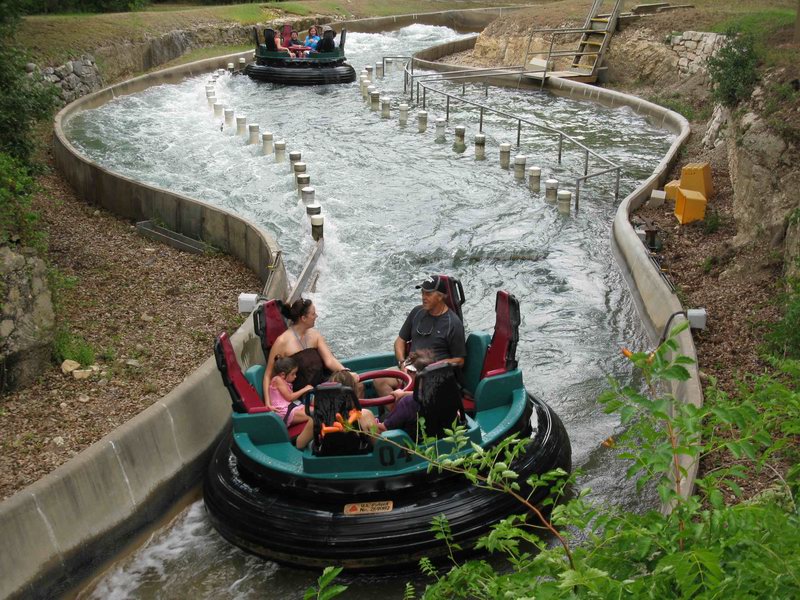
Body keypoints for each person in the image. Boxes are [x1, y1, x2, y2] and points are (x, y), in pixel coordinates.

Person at [373, 275, 467, 397]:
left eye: (428, 294)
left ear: (440, 296)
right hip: (409, 369)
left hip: (433, 376)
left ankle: (405, 410)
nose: (423, 297)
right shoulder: (417, 312)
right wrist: (402, 363)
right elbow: (399, 341)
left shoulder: (453, 323)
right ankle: (395, 414)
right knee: (379, 380)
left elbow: (459, 360)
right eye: (422, 293)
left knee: (406, 395)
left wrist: (431, 367)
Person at [264, 297, 346, 395]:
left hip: (323, 384)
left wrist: (345, 372)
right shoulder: (282, 342)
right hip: (304, 394)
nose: (316, 316)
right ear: (303, 318)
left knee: (356, 385)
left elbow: (330, 360)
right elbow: (269, 375)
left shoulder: (315, 335)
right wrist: (268, 403)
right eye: (313, 314)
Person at [358, 351, 437, 437]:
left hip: (410, 442)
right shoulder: (447, 392)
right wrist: (406, 393)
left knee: (365, 415)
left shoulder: (408, 402)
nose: (405, 372)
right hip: (435, 436)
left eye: (409, 371)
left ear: (415, 373)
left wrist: (370, 420)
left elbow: (383, 429)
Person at [267, 356, 314, 448]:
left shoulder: (283, 380)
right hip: (283, 412)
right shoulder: (278, 380)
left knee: (316, 408)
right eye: (293, 374)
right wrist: (305, 389)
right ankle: (302, 444)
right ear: (283, 374)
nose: (295, 376)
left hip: (291, 407)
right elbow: (289, 397)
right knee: (314, 413)